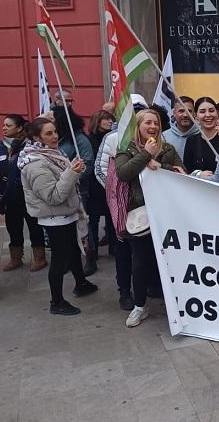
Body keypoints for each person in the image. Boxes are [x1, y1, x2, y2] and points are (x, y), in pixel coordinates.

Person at [19, 118, 97, 315]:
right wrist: (71, 172)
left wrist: (75, 171)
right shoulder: (35, 162)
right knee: (59, 259)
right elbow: (53, 196)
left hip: (66, 213)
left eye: (54, 132)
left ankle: (80, 283)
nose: (54, 136)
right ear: (36, 138)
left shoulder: (51, 153)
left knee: (72, 250)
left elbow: (65, 181)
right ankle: (57, 302)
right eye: (48, 134)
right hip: (54, 217)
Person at [116, 109, 185, 327]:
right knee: (140, 263)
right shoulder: (126, 149)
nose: (153, 126)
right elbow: (123, 173)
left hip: (167, 212)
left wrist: (160, 166)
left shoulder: (168, 148)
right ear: (138, 126)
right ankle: (139, 305)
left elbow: (181, 172)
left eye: (156, 122)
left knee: (171, 258)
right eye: (147, 122)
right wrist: (145, 155)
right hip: (140, 215)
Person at [94, 93, 147, 311]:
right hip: (123, 207)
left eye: (137, 111)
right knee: (124, 251)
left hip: (149, 206)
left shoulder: (153, 137)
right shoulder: (113, 139)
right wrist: (116, 195)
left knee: (145, 252)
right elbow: (101, 169)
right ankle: (125, 291)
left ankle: (147, 286)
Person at [0, 115, 47, 272]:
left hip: (27, 195)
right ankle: (16, 258)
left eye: (8, 125)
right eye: (3, 125)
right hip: (9, 197)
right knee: (13, 228)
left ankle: (39, 257)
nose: (4, 128)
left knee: (34, 227)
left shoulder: (29, 146)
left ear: (19, 128)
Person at [85, 110, 115, 276]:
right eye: (106, 119)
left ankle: (113, 247)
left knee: (112, 218)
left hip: (109, 184)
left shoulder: (113, 138)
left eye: (111, 119)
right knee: (93, 221)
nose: (110, 122)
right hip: (93, 186)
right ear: (97, 121)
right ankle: (92, 252)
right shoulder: (89, 140)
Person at [183, 97, 219, 174]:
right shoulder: (191, 141)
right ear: (195, 115)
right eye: (202, 112)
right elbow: (187, 170)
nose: (207, 115)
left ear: (217, 113)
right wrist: (199, 174)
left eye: (211, 111)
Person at [162, 96, 199, 160]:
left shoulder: (203, 135)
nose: (185, 115)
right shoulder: (164, 137)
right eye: (181, 111)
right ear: (174, 113)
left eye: (189, 111)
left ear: (194, 114)